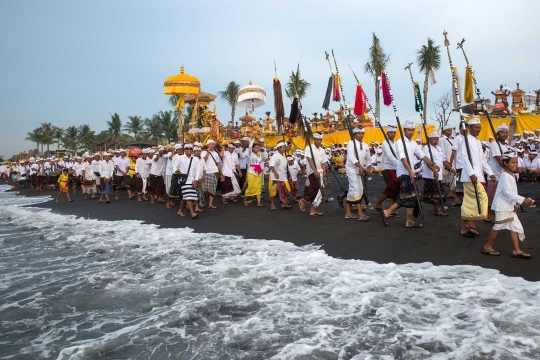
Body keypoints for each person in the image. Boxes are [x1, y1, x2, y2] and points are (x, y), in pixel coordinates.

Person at [381, 121, 439, 228]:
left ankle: (409, 221)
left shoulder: (414, 143)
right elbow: (403, 158)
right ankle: (388, 211)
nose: (411, 132)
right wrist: (410, 171)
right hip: (403, 173)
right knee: (408, 196)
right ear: (404, 130)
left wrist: (433, 164)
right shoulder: (399, 142)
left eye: (412, 130)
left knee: (411, 197)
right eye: (409, 130)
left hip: (410, 173)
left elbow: (422, 155)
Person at [483, 152, 535, 258]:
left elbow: (512, 193)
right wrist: (523, 200)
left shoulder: (511, 175)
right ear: (505, 163)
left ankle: (516, 250)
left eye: (516, 162)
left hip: (509, 206)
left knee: (514, 227)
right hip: (502, 206)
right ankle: (488, 246)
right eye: (513, 162)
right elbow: (508, 192)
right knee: (498, 226)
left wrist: (515, 204)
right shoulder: (505, 176)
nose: (515, 164)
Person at [459, 118, 496, 237]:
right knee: (480, 198)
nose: (478, 129)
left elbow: (483, 161)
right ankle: (466, 227)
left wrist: (490, 173)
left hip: (479, 176)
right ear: (469, 128)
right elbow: (465, 158)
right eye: (476, 127)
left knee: (472, 201)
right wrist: (471, 173)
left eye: (479, 127)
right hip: (471, 177)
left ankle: (468, 226)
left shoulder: (478, 142)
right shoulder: (466, 140)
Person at [421, 132, 455, 216]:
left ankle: (437, 210)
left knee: (438, 194)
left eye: (437, 139)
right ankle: (419, 200)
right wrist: (434, 171)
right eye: (434, 139)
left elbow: (443, 161)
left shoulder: (439, 148)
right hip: (430, 175)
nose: (435, 141)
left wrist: (451, 168)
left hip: (438, 175)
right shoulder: (426, 148)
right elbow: (427, 162)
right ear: (429, 139)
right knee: (434, 194)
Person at [345, 127, 371, 220]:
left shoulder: (365, 145)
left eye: (362, 133)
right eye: (358, 133)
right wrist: (360, 166)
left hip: (360, 170)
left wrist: (368, 166)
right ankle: (360, 213)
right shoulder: (351, 143)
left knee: (356, 190)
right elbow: (351, 157)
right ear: (354, 134)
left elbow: (368, 158)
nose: (361, 135)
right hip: (352, 169)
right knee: (356, 189)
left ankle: (348, 213)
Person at [299, 133, 327, 216]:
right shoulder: (309, 148)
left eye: (320, 140)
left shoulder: (322, 150)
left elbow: (323, 164)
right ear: (314, 139)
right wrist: (315, 171)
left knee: (318, 191)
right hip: (312, 171)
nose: (319, 141)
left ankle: (313, 210)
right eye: (317, 140)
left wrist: (324, 176)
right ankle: (303, 200)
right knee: (314, 187)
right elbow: (310, 160)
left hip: (320, 172)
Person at [374, 125, 399, 214]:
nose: (392, 134)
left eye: (394, 133)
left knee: (396, 189)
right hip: (388, 168)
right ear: (387, 133)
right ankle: (378, 203)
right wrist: (399, 164)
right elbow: (389, 156)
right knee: (391, 187)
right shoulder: (385, 143)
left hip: (396, 168)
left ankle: (390, 209)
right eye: (391, 133)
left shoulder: (396, 143)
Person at [175, 144, 200, 219]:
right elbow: (174, 166)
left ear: (192, 150)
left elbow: (198, 170)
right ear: (184, 150)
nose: (188, 150)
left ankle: (180, 211)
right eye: (187, 149)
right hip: (184, 180)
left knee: (186, 197)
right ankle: (192, 213)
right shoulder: (180, 158)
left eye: (190, 149)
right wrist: (177, 171)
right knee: (188, 196)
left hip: (192, 180)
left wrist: (196, 179)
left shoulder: (195, 159)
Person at [269, 141, 291, 210]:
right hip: (274, 177)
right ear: (279, 148)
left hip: (283, 177)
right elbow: (272, 165)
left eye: (285, 147)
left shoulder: (284, 156)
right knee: (273, 191)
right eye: (283, 147)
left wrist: (289, 175)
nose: (285, 148)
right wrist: (275, 173)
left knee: (288, 189)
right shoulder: (275, 156)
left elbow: (285, 168)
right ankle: (272, 205)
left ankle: (284, 203)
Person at [201, 140, 223, 209]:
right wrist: (208, 152)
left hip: (215, 172)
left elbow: (218, 164)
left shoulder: (216, 153)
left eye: (212, 144)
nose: (211, 145)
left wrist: (221, 173)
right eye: (210, 144)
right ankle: (199, 203)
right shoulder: (203, 152)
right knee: (204, 189)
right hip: (207, 172)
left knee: (213, 189)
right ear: (207, 145)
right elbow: (203, 161)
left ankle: (210, 204)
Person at [244, 140, 264, 207]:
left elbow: (260, 163)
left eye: (258, 148)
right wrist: (252, 139)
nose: (257, 149)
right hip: (251, 172)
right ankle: (245, 200)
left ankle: (259, 202)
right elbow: (249, 146)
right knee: (250, 186)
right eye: (256, 147)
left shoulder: (259, 155)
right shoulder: (250, 154)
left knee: (258, 187)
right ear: (253, 148)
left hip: (258, 172)